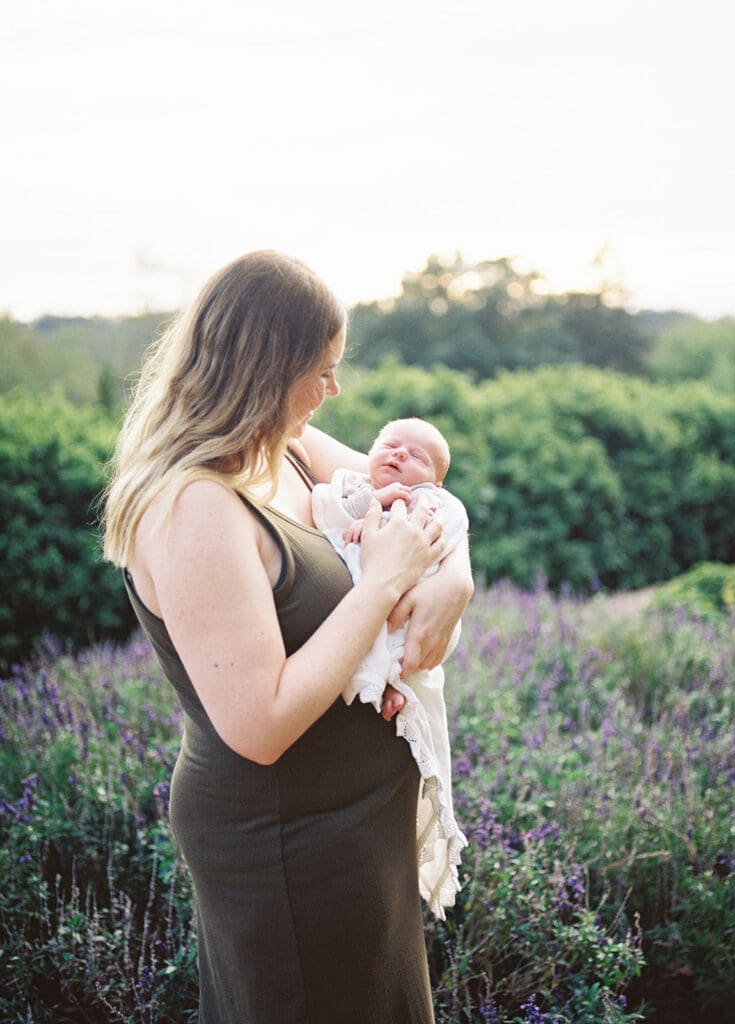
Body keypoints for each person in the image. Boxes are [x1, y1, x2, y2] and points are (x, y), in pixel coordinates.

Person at [101, 251, 473, 1024]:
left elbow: (426, 495)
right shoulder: (194, 507)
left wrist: (454, 574)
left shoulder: (290, 449)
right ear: (264, 369)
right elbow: (260, 725)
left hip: (360, 833)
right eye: (322, 369)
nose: (334, 390)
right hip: (288, 844)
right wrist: (379, 585)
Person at [312, 417, 469, 919]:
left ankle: (390, 681)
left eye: (418, 456)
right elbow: (327, 508)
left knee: (399, 642)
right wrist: (367, 507)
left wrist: (454, 573)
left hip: (402, 613)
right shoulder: (353, 486)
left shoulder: (427, 501)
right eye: (389, 445)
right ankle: (383, 682)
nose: (400, 456)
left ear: (435, 480)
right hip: (354, 620)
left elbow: (440, 527)